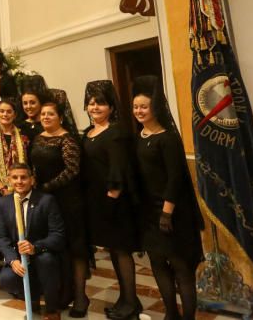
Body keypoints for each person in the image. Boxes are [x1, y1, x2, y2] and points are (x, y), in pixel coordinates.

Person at [131, 75, 203, 320]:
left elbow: (176, 178)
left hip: (172, 213)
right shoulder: (139, 138)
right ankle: (170, 314)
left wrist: (167, 212)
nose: (139, 111)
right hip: (149, 215)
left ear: (155, 108)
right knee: (158, 265)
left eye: (144, 106)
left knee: (181, 269)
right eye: (136, 107)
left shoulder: (168, 137)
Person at [82, 80, 141, 320]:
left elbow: (118, 170)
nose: (94, 107)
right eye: (91, 103)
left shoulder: (116, 132)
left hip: (115, 202)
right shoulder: (88, 132)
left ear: (111, 107)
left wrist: (111, 200)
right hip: (97, 202)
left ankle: (130, 302)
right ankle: (126, 299)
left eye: (101, 103)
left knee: (122, 251)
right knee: (114, 252)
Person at [32, 100, 88, 316]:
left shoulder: (68, 140)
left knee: (75, 249)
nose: (46, 117)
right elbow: (35, 166)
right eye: (43, 114)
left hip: (67, 201)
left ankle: (81, 298)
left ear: (61, 117)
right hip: (46, 202)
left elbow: (72, 170)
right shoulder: (38, 138)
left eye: (51, 114)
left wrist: (46, 187)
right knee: (57, 250)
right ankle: (63, 294)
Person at [0, 163, 66, 320]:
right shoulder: (3, 203)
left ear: (32, 180)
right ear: (9, 180)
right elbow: (2, 237)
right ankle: (32, 299)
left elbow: (58, 235)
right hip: (19, 255)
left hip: (42, 253)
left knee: (46, 261)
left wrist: (36, 247)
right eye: (15, 177)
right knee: (7, 279)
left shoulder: (47, 200)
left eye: (23, 177)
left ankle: (51, 308)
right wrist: (12, 259)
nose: (19, 181)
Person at [0, 100, 30, 197]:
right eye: (2, 111)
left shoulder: (24, 134)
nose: (5, 114)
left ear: (15, 115)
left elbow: (30, 161)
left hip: (24, 188)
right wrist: (2, 188)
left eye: (9, 112)